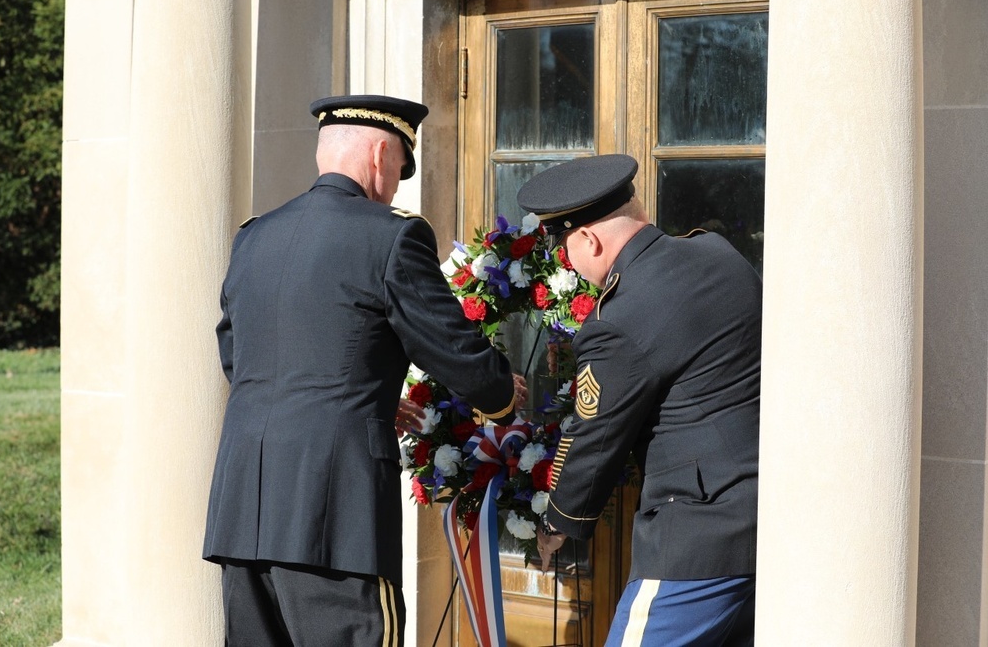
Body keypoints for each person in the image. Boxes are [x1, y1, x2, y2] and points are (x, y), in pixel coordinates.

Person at [203, 94, 527, 646]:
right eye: (400, 171)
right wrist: (502, 396)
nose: (396, 187)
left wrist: (362, 395)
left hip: (244, 510)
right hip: (335, 514)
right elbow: (448, 343)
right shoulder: (392, 235)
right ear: (380, 155)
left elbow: (241, 357)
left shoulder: (253, 236)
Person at [518, 154, 761, 646]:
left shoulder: (618, 319)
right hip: (769, 523)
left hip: (695, 541)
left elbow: (594, 437)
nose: (569, 261)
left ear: (589, 239)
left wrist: (557, 522)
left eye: (565, 247)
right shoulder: (717, 253)